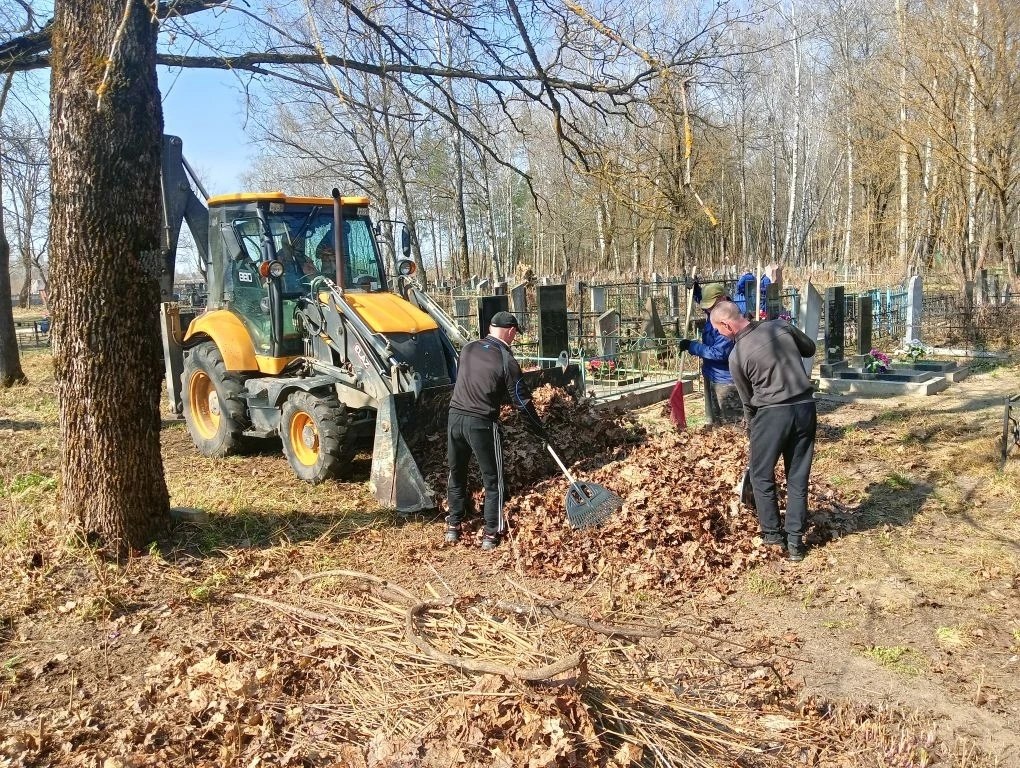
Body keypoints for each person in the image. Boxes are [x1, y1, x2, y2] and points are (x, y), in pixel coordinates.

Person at [710, 300, 817, 562]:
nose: (720, 335)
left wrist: (752, 430)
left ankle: (772, 535)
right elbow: (810, 349)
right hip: (805, 408)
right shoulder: (780, 327)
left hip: (772, 414)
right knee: (797, 476)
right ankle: (795, 543)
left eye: (718, 330)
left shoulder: (737, 355)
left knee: (761, 475)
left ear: (727, 324)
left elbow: (748, 402)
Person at [445, 311, 546, 550]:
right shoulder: (506, 360)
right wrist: (538, 431)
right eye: (515, 334)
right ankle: (491, 533)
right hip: (481, 423)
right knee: (493, 480)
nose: (514, 339)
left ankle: (453, 526)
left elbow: (469, 379)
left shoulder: (468, 349)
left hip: (454, 417)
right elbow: (521, 402)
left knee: (456, 472)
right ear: (510, 331)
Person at [677, 283, 742, 426]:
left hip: (726, 380)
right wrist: (696, 290)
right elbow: (706, 301)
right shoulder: (716, 309)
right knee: (716, 422)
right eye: (707, 306)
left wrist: (692, 346)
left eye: (711, 305)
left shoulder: (729, 319)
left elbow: (719, 353)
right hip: (712, 374)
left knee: (732, 424)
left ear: (723, 299)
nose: (708, 309)